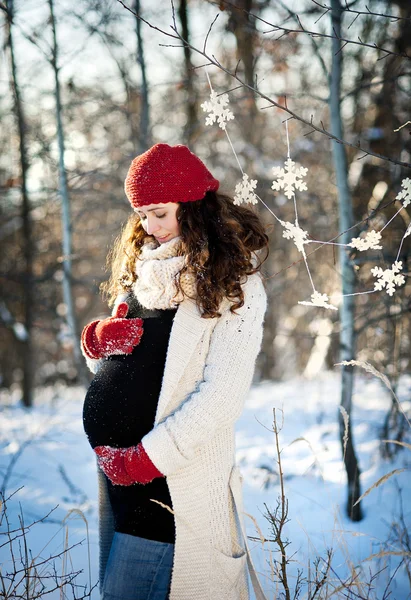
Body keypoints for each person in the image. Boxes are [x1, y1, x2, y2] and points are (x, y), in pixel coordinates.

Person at [81, 143, 269, 600]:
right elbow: (121, 369)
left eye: (160, 213)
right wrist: (96, 343)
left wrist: (144, 459)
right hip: (124, 487)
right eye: (142, 215)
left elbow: (220, 397)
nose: (150, 227)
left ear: (193, 207)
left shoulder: (234, 284)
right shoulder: (143, 272)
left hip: (172, 491)